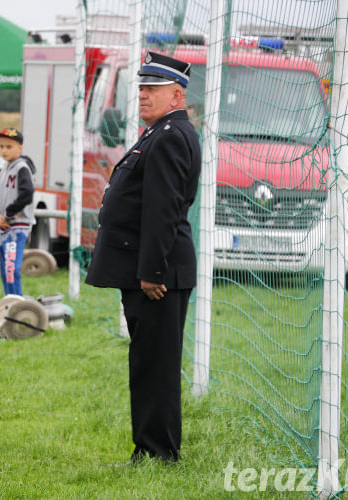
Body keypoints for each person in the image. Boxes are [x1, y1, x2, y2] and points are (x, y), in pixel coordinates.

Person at [85, 52, 202, 463]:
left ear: (176, 94)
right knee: (148, 360)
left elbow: (162, 210)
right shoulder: (161, 131)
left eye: (152, 89)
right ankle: (151, 447)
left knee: (155, 364)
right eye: (141, 89)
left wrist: (151, 272)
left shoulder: (170, 135)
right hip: (152, 268)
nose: (143, 96)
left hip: (158, 273)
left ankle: (158, 452)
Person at [0, 128, 35, 296]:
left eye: (9, 147)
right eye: (1, 146)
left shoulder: (22, 168)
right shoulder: (3, 170)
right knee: (4, 270)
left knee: (12, 269)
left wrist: (8, 213)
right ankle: (9, 300)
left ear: (19, 148)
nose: (4, 150)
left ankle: (17, 304)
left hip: (17, 226)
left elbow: (27, 194)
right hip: (3, 227)